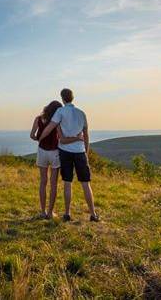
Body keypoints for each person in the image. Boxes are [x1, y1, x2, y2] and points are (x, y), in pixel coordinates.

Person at [39, 88, 99, 222]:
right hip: (80, 151)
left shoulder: (60, 112)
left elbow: (50, 127)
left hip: (65, 151)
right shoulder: (82, 113)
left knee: (67, 182)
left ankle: (67, 213)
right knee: (85, 183)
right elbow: (86, 135)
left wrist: (40, 138)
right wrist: (86, 152)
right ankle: (93, 214)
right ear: (73, 97)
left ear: (62, 98)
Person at [30, 101, 62, 218]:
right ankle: (50, 212)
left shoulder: (38, 118)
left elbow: (32, 135)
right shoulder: (57, 121)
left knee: (43, 182)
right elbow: (61, 136)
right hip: (54, 152)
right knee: (54, 184)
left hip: (42, 151)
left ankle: (42, 211)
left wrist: (39, 139)